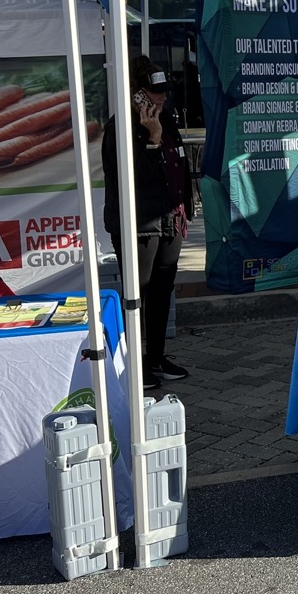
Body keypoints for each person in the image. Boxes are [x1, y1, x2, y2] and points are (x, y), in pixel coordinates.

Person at [102, 56, 193, 390]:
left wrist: (184, 208)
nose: (162, 99)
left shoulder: (164, 118)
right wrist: (152, 139)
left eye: (165, 93)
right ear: (136, 93)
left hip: (170, 219)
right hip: (138, 224)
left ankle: (156, 356)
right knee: (137, 296)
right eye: (155, 93)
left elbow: (178, 165)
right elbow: (133, 179)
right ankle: (135, 365)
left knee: (161, 293)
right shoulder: (121, 128)